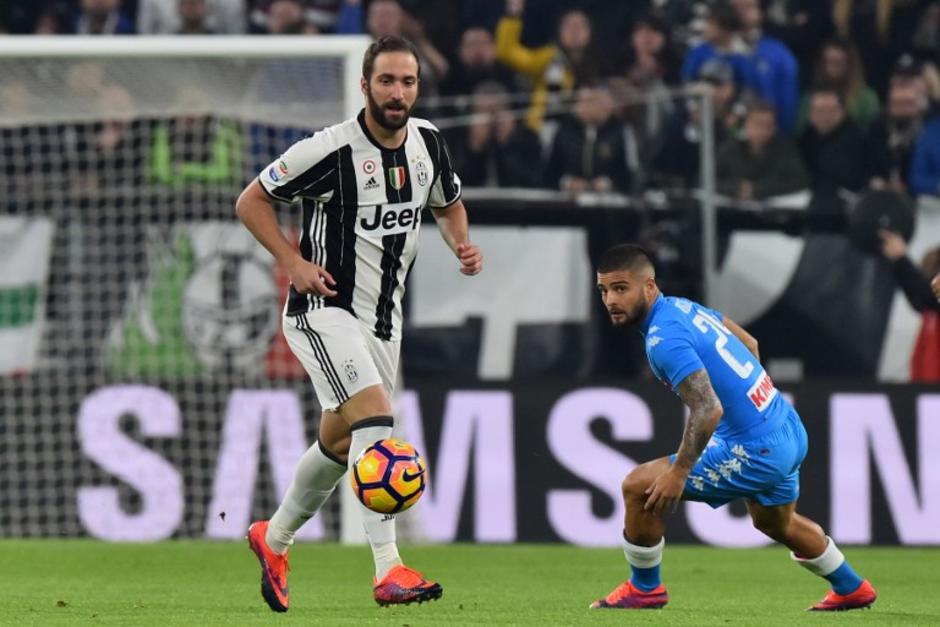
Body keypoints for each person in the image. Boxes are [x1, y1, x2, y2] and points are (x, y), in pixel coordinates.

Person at [235, 35, 482, 611]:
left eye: (408, 82)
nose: (398, 93)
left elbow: (448, 204)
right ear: (365, 85)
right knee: (376, 421)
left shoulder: (428, 144)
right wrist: (293, 263)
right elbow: (251, 200)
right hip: (323, 310)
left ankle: (273, 538)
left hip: (383, 322)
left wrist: (460, 243)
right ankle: (389, 569)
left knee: (340, 440)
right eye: (387, 81)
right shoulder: (329, 149)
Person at [590, 243, 876, 611]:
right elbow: (750, 343)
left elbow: (708, 409)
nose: (611, 300)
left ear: (648, 286)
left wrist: (679, 472)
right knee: (776, 524)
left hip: (757, 449)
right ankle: (852, 587)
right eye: (604, 290)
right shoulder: (683, 307)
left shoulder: (664, 339)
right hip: (785, 424)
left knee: (638, 486)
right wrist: (752, 404)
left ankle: (644, 589)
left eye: (620, 288)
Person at [716, 101, 808, 201]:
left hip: (773, 208)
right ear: (746, 125)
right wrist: (735, 188)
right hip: (732, 208)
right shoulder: (729, 148)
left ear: (774, 128)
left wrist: (757, 190)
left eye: (768, 125)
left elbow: (800, 181)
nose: (762, 130)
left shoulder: (785, 149)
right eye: (757, 124)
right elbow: (708, 180)